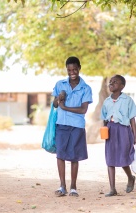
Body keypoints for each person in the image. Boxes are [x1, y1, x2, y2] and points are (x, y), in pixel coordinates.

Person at [52, 56, 93, 197]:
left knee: (74, 156)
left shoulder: (85, 88)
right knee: (60, 155)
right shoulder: (60, 84)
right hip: (62, 124)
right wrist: (59, 98)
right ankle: (62, 186)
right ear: (66, 70)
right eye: (69, 70)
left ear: (79, 68)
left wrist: (65, 107)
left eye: (75, 69)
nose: (72, 72)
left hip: (77, 125)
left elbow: (83, 110)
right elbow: (54, 105)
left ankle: (73, 187)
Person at [100, 74, 136, 197]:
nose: (111, 83)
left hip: (124, 130)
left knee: (123, 158)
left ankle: (130, 177)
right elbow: (104, 119)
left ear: (122, 86)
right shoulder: (106, 101)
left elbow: (132, 119)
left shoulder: (127, 100)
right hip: (111, 130)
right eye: (110, 82)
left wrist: (135, 136)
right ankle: (112, 189)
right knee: (110, 159)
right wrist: (104, 131)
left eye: (115, 82)